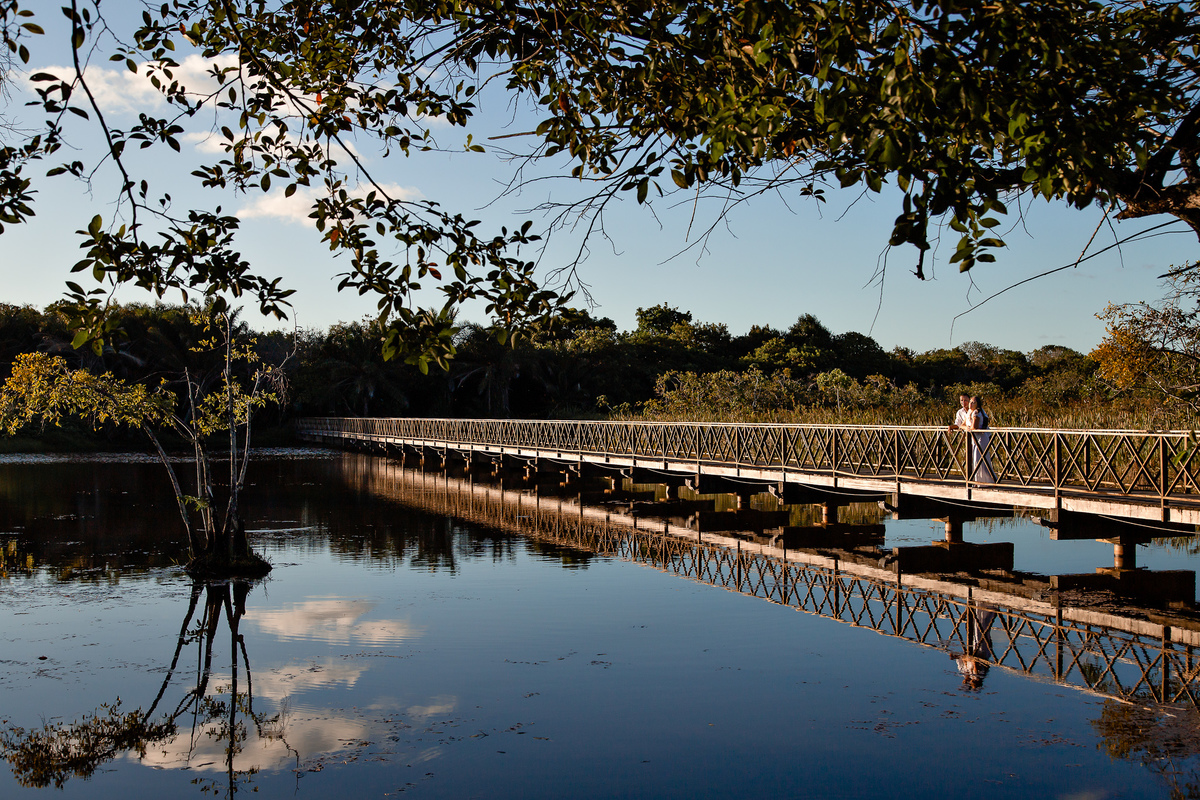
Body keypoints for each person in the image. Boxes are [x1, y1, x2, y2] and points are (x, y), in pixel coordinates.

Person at [964, 395, 995, 483]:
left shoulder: (976, 413)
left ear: (977, 404)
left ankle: (981, 481)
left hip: (980, 438)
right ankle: (979, 480)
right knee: (977, 459)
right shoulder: (971, 412)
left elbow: (975, 427)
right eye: (970, 402)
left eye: (973, 403)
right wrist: (966, 428)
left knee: (978, 459)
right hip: (977, 438)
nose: (971, 404)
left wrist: (968, 428)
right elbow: (963, 424)